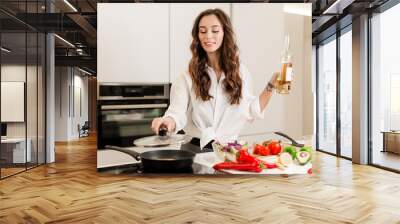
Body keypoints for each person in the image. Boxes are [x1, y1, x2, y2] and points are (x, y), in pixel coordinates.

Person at [151, 8, 278, 151]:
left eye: (215, 30)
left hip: (230, 151)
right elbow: (176, 113)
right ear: (197, 35)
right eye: (203, 31)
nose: (208, 36)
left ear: (225, 33)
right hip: (196, 150)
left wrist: (272, 84)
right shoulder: (187, 76)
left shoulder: (241, 72)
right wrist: (167, 122)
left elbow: (251, 110)